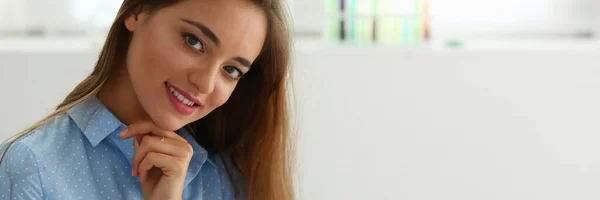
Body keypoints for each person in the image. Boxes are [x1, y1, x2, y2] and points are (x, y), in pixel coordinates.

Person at [0, 0, 295, 199]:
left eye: (231, 70)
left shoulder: (229, 179)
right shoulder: (31, 165)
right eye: (194, 41)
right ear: (137, 12)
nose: (205, 83)